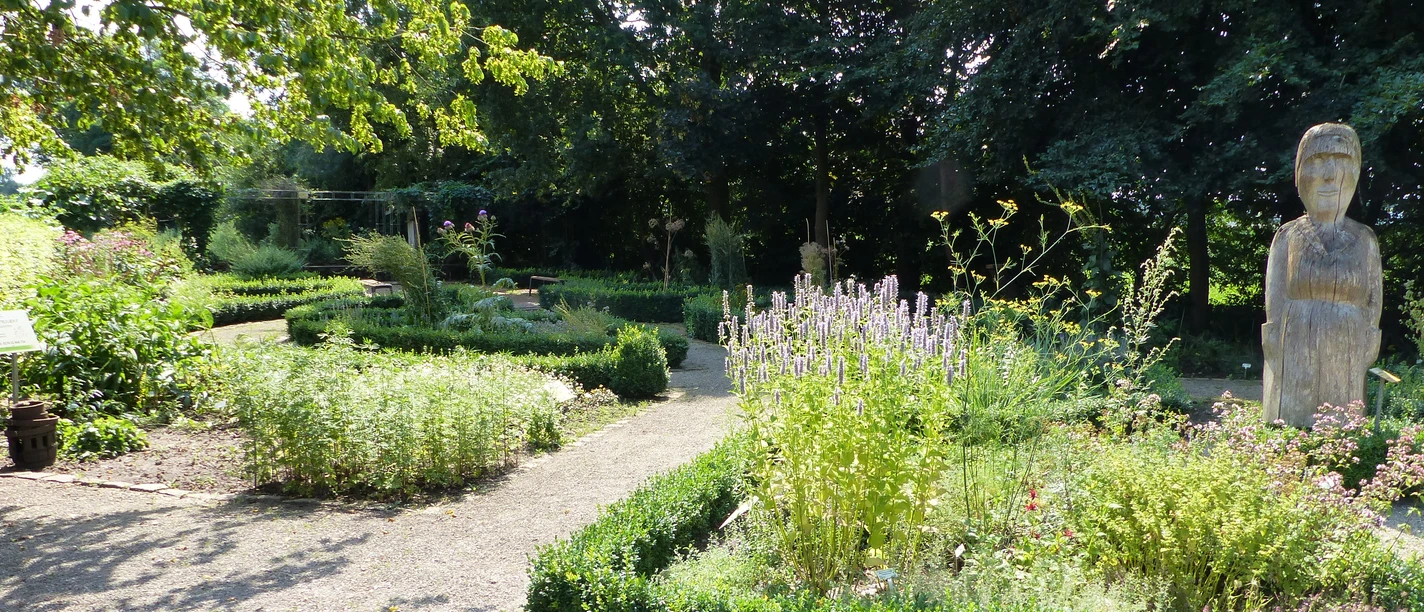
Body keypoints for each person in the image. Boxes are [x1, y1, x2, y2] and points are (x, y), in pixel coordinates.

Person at [1262, 123, 1382, 427]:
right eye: (1317, 160)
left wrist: (1370, 339)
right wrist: (1274, 342)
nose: (1329, 174)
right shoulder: (1288, 236)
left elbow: (1374, 301)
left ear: (1355, 171)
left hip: (1347, 357)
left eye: (1340, 160)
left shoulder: (1365, 239)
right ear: (1299, 172)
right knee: (1291, 423)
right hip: (1294, 355)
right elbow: (1274, 300)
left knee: (1342, 425)